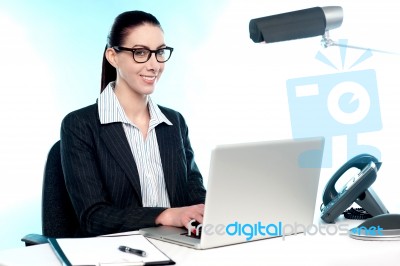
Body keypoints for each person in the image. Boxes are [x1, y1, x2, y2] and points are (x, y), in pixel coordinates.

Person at [60, 10, 206, 237]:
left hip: (180, 246)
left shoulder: (174, 122)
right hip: (117, 251)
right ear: (113, 56)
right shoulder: (80, 125)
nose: (154, 65)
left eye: (159, 52)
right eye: (140, 52)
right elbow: (93, 217)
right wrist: (165, 215)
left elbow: (196, 196)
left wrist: (216, 211)